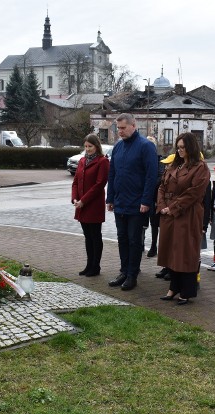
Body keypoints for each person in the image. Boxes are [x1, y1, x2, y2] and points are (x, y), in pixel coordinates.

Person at [156, 132, 210, 305]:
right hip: (170, 214)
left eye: (183, 148)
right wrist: (162, 206)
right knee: (172, 251)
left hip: (187, 214)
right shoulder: (174, 165)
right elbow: (162, 187)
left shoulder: (200, 167)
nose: (179, 151)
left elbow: (194, 193)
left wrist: (172, 208)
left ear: (191, 148)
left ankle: (186, 291)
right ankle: (173, 287)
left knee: (185, 252)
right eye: (178, 147)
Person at [106, 113, 158, 291]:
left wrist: (146, 200)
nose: (119, 132)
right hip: (120, 202)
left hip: (137, 204)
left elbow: (151, 176)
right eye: (118, 128)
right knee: (122, 239)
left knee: (135, 240)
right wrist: (110, 198)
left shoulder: (146, 146)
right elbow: (112, 174)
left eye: (122, 128)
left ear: (133, 126)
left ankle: (132, 275)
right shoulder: (118, 147)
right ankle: (124, 271)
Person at [71, 134, 110, 277]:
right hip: (81, 205)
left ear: (96, 146)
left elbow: (99, 185)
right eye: (86, 146)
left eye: (90, 146)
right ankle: (89, 265)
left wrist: (83, 200)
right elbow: (75, 181)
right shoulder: (82, 161)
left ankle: (96, 266)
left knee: (95, 235)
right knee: (87, 236)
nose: (87, 149)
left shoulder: (102, 162)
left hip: (93, 205)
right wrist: (75, 198)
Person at [146, 136, 164, 258]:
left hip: (157, 198)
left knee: (157, 224)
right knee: (147, 224)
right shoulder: (143, 159)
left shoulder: (160, 161)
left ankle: (155, 246)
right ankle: (146, 245)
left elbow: (160, 178)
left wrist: (149, 183)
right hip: (147, 197)